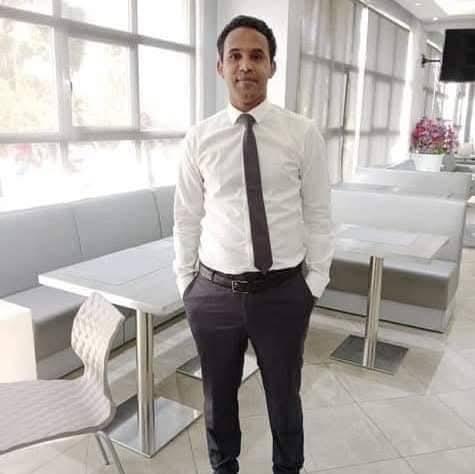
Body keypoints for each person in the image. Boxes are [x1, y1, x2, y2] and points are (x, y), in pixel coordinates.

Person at [173, 15, 335, 474]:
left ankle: (288, 469)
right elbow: (186, 216)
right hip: (213, 293)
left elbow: (319, 214)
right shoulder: (199, 139)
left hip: (283, 292)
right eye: (236, 56)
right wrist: (186, 284)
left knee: (284, 397)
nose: (246, 65)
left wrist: (314, 283)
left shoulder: (302, 133)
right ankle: (224, 468)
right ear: (220, 67)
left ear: (272, 66)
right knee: (218, 398)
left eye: (257, 56)